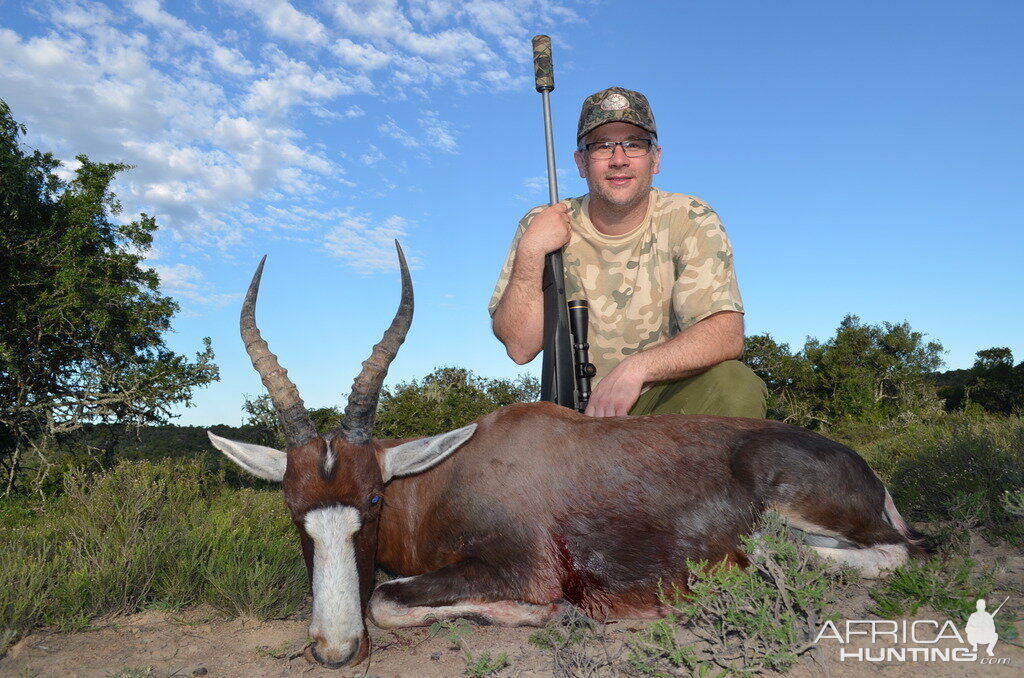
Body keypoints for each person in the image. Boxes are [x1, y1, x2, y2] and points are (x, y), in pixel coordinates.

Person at [489, 86, 767, 418]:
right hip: (577, 418)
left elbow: (725, 334)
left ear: (656, 159)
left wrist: (635, 370)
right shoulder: (542, 223)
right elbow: (520, 348)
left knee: (733, 383)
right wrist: (532, 251)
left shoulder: (690, 217)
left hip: (660, 406)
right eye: (602, 146)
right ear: (581, 163)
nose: (619, 160)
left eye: (634, 144)